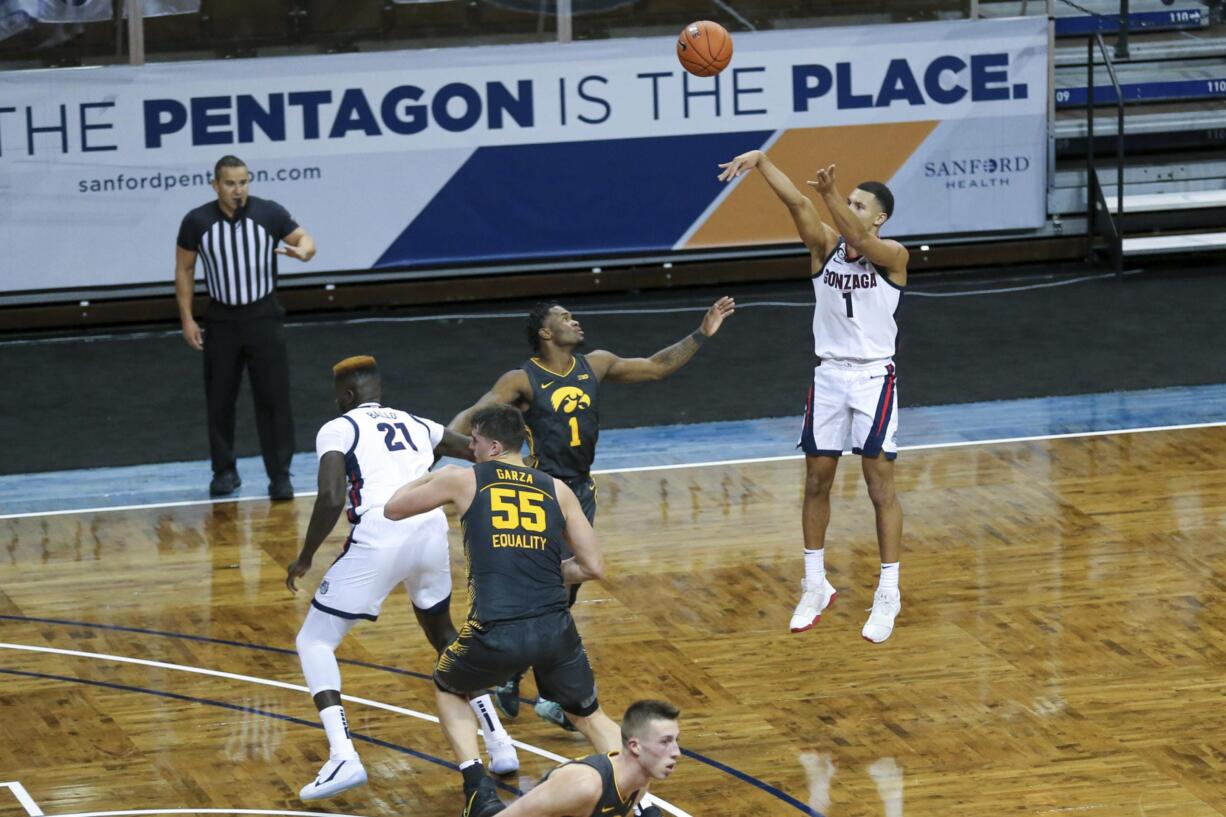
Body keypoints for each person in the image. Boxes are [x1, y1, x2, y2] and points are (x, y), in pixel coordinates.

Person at [449, 296, 736, 724]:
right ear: (546, 333)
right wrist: (433, 446)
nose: (574, 320)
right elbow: (474, 416)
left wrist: (701, 332)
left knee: (566, 590)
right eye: (564, 318)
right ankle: (544, 689)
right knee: (549, 591)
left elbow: (656, 366)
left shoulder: (596, 364)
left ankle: (520, 675)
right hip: (539, 491)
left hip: (581, 491)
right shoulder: (522, 379)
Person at [285, 356, 519, 801]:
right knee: (445, 634)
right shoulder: (417, 423)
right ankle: (500, 743)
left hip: (382, 531)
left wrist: (306, 555)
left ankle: (342, 756)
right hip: (430, 531)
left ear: (347, 396)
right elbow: (476, 450)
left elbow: (333, 495)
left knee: (313, 642)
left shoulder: (338, 427)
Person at [384, 404, 625, 817]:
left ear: (493, 445)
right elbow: (593, 567)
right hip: (555, 629)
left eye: (474, 441)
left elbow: (394, 506)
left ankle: (478, 788)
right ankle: (638, 802)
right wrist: (546, 571)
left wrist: (433, 470)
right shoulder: (557, 488)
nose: (469, 448)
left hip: (496, 630)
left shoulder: (463, 480)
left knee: (448, 683)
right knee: (590, 716)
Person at [717, 150, 906, 643]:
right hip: (828, 378)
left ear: (880, 217)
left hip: (872, 379)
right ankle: (815, 582)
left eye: (859, 204)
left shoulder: (894, 257)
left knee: (878, 485)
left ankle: (889, 590)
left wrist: (829, 197)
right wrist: (762, 162)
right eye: (849, 202)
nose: (850, 209)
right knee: (817, 482)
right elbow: (798, 204)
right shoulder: (824, 248)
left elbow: (861, 239)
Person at [175, 154, 315, 500]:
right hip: (221, 319)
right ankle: (224, 472)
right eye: (230, 183)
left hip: (263, 316)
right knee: (220, 398)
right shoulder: (197, 221)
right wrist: (187, 317)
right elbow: (185, 269)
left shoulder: (269, 213)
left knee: (274, 398)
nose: (238, 190)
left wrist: (303, 253)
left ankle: (280, 475)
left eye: (243, 182)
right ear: (215, 185)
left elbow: (306, 241)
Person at [497, 700, 682, 817]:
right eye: (665, 741)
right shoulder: (583, 785)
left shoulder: (639, 785)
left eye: (676, 740)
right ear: (635, 746)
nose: (676, 752)